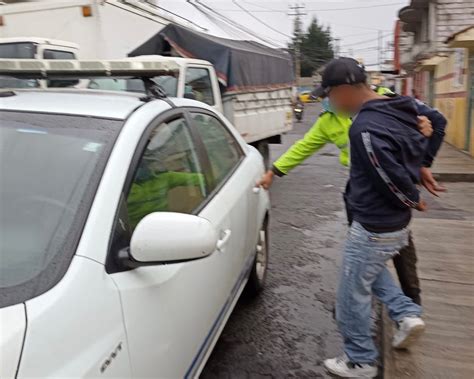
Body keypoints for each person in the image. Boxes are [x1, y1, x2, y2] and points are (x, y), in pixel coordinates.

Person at [258, 81, 447, 306]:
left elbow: (437, 121)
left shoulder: (389, 100)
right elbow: (303, 147)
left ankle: (410, 302)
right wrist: (274, 171)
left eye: (332, 94)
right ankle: (370, 306)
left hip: (395, 181)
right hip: (361, 188)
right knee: (362, 249)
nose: (329, 101)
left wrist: (424, 161)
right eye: (326, 96)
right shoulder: (329, 120)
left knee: (400, 245)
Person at [312, 57, 428, 377]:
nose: (330, 102)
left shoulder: (364, 127)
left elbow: (387, 175)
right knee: (371, 274)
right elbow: (429, 130)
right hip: (396, 225)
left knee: (351, 293)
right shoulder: (400, 108)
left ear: (346, 90)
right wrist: (423, 167)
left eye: (330, 95)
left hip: (376, 224)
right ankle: (406, 313)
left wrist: (412, 198)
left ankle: (360, 360)